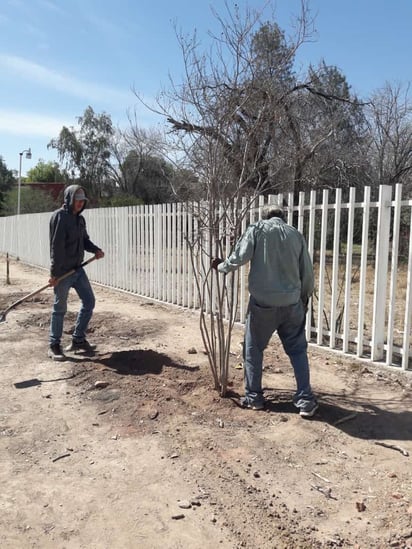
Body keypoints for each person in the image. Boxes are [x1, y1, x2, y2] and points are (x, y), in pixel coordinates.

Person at [211, 205, 318, 417]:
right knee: (297, 351)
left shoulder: (257, 229)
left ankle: (254, 398)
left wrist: (222, 266)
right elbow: (307, 272)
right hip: (291, 304)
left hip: (263, 305)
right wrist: (303, 299)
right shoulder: (295, 234)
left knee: (253, 348)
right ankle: (305, 400)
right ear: (282, 217)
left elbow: (239, 257)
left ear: (266, 216)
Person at [48, 185, 104, 361]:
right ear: (69, 199)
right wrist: (54, 274)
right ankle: (54, 345)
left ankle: (78, 339)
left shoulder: (80, 220)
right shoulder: (60, 217)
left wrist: (95, 250)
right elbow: (56, 247)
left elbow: (85, 241)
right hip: (63, 272)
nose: (80, 203)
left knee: (89, 301)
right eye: (77, 200)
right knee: (60, 308)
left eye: (82, 201)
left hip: (78, 270)